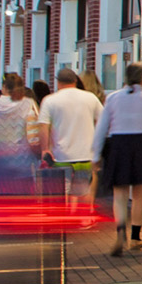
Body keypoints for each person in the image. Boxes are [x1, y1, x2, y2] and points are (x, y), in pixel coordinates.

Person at [93, 64, 142, 255]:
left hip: (118, 146)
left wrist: (96, 155)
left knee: (120, 194)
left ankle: (120, 233)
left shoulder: (113, 98)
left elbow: (101, 128)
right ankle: (135, 237)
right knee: (139, 194)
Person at [36, 69, 103, 199]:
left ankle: (67, 216)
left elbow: (43, 126)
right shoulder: (91, 98)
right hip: (85, 155)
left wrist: (44, 149)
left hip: (60, 156)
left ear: (58, 82)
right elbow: (103, 120)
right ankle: (83, 217)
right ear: (76, 81)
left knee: (62, 194)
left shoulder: (50, 101)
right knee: (83, 191)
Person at [0, 74, 39, 194]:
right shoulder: (29, 105)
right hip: (23, 166)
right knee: (22, 203)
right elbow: (34, 139)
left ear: (4, 87)